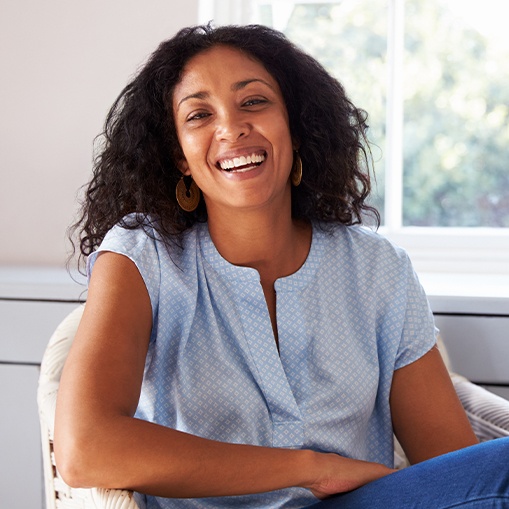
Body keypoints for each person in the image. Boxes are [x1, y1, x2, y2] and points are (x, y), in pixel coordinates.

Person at [54, 24, 509, 508]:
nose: (231, 128)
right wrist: (313, 469)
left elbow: (460, 472)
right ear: (179, 157)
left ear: (297, 123)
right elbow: (85, 448)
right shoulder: (143, 255)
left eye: (253, 102)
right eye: (199, 115)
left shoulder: (377, 269)